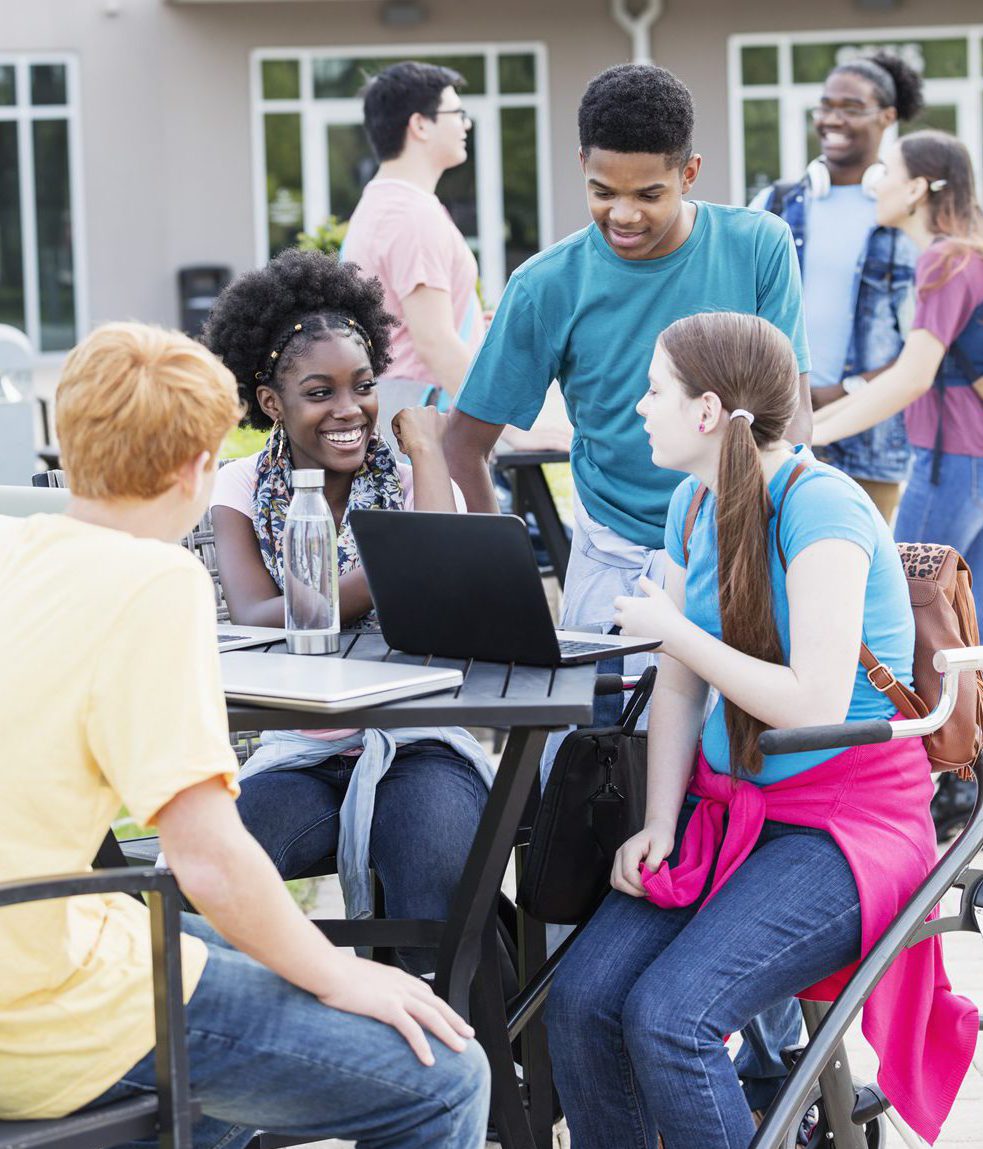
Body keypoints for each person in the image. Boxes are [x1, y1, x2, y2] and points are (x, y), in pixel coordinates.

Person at [0, 322, 489, 1147]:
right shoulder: (153, 581)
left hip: (55, 927)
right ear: (198, 466)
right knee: (445, 1075)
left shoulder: (15, 549)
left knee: (243, 1010)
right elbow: (208, 854)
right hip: (40, 1009)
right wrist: (339, 972)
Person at [443, 61, 812, 1111]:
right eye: (602, 189)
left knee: (747, 789)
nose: (622, 213)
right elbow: (465, 439)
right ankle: (579, 1047)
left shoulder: (752, 246)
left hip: (746, 547)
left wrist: (781, 549)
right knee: (583, 804)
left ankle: (769, 1055)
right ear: (580, 173)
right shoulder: (548, 281)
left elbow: (794, 421)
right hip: (613, 564)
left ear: (689, 173)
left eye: (648, 192)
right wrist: (510, 555)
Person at [545, 311, 976, 1149]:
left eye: (653, 390)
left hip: (847, 824)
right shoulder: (692, 501)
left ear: (705, 410)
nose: (640, 408)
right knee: (583, 997)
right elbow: (677, 687)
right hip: (732, 809)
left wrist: (675, 630)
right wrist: (660, 823)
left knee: (673, 1018)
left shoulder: (824, 508)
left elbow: (812, 705)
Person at [202, 248, 493, 976]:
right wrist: (389, 573)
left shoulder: (407, 478)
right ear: (272, 403)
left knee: (431, 881)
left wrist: (428, 453)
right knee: (216, 881)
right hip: (303, 751)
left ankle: (463, 1061)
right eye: (318, 391)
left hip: (418, 740)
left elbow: (440, 589)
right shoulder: (240, 488)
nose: (349, 409)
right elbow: (255, 611)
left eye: (363, 386)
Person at [341, 60, 570, 455]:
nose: (465, 124)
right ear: (420, 125)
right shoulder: (410, 215)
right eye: (456, 113)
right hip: (421, 421)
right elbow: (434, 342)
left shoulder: (384, 203)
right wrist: (508, 430)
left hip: (404, 413)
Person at [813, 130, 983, 612]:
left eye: (886, 172)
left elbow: (912, 376)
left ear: (915, 190)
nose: (875, 185)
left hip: (949, 464)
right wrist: (817, 426)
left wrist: (811, 432)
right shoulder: (971, 253)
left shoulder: (943, 260)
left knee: (909, 611)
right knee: (968, 622)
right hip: (972, 465)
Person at [751, 51, 923, 523]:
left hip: (873, 434)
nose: (832, 119)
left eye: (850, 108)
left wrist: (844, 390)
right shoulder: (775, 203)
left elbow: (923, 338)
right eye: (826, 106)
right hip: (784, 425)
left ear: (887, 117)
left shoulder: (903, 213)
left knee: (867, 573)